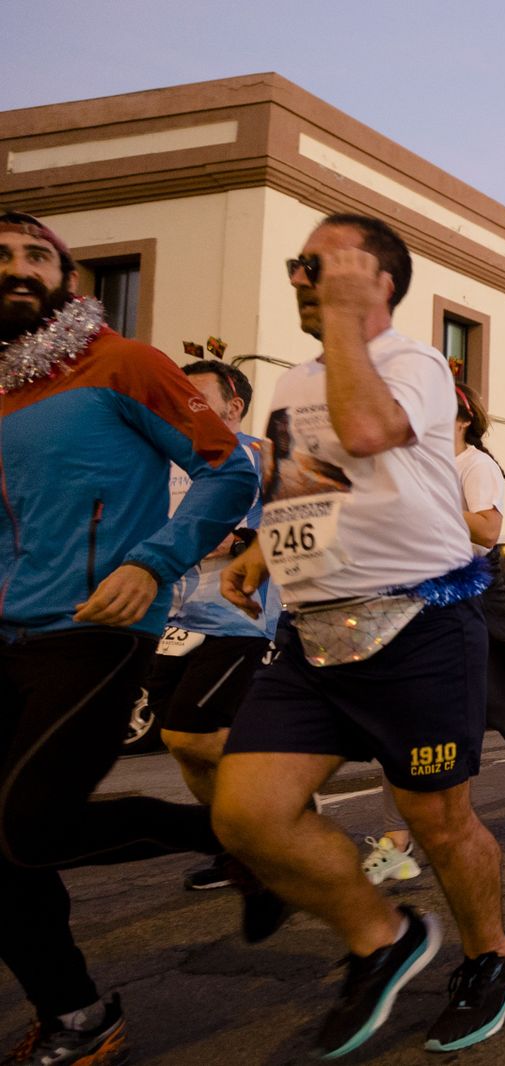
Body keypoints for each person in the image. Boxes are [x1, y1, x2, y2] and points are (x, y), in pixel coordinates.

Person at [212, 214, 505, 1056]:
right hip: (312, 636)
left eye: (316, 265)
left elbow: (363, 432)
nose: (298, 280)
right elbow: (306, 484)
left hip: (421, 627)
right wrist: (259, 552)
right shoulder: (289, 384)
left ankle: (494, 958)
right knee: (247, 817)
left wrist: (352, 324)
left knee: (439, 825)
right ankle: (381, 936)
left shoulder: (415, 362)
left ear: (376, 279)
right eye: (297, 266)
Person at [0, 211, 259, 1064]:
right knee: (4, 847)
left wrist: (155, 561)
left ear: (69, 281)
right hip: (7, 633)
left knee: (25, 828)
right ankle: (75, 1013)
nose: (19, 266)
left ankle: (239, 841)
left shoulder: (123, 363)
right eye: (1, 255)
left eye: (38, 254)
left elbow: (230, 468)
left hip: (97, 628)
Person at [363, 383, 505, 887]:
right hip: (419, 593)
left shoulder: (475, 465)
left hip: (474, 593)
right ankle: (396, 841)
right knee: (404, 712)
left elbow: (486, 531)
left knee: (497, 708)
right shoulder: (414, 466)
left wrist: (422, 508)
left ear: (460, 421)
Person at [153, 359, 283, 892]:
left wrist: (231, 540)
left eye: (198, 396)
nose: (186, 404)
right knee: (178, 740)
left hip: (238, 620)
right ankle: (238, 842)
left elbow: (281, 529)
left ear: (234, 406)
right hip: (171, 618)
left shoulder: (258, 457)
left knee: (192, 732)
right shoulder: (163, 458)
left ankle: (274, 813)